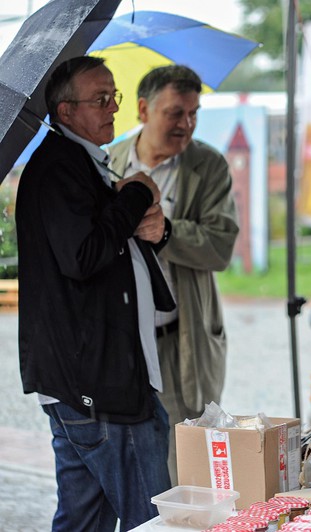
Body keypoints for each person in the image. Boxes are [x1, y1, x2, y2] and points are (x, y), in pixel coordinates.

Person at [16, 56, 172, 530]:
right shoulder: (60, 168)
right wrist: (137, 193)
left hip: (96, 377)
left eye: (114, 96)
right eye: (99, 99)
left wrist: (154, 228)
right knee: (150, 517)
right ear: (65, 112)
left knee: (84, 518)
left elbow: (117, 243)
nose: (112, 108)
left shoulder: (83, 163)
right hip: (97, 382)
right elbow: (83, 255)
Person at [109, 65, 239, 484]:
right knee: (123, 463)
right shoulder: (106, 162)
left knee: (187, 465)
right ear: (143, 110)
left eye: (193, 113)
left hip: (179, 340)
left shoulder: (208, 165)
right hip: (120, 342)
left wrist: (167, 230)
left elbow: (221, 245)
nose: (186, 124)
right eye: (175, 113)